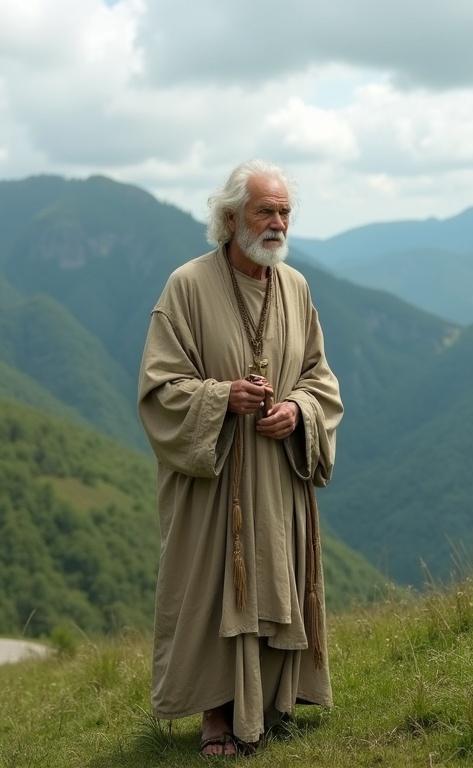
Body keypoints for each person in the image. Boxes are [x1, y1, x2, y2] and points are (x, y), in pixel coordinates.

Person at [137, 159, 343, 757]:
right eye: (265, 211)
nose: (277, 223)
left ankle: (277, 702)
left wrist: (299, 411)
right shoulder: (187, 287)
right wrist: (222, 397)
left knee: (278, 577)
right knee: (212, 588)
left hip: (276, 475)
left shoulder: (296, 287)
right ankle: (217, 718)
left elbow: (319, 377)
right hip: (215, 479)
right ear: (230, 219)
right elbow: (158, 388)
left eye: (284, 211)